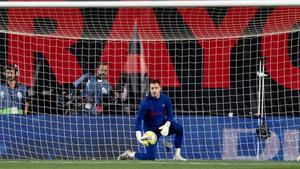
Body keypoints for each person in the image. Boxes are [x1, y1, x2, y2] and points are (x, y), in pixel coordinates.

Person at [118, 79, 186, 161]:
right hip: (151, 131)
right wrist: (138, 134)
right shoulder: (145, 102)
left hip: (163, 126)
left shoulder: (165, 99)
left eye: (156, 88)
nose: (154, 90)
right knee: (150, 158)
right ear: (149, 89)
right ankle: (130, 154)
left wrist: (167, 125)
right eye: (152, 88)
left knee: (179, 129)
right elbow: (138, 119)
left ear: (160, 88)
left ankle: (177, 155)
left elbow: (170, 115)